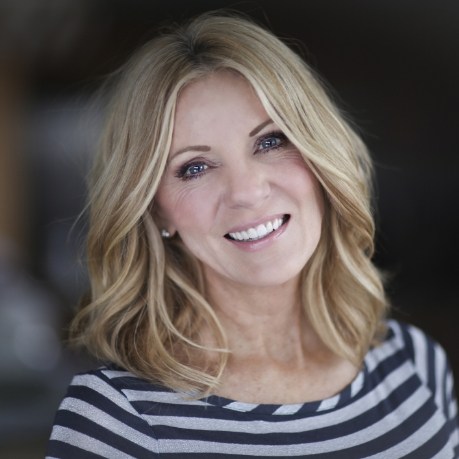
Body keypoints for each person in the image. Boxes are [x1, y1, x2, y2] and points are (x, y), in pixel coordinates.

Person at [46, 12, 458, 458]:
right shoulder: (117, 418)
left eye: (270, 141)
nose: (246, 192)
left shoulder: (416, 363)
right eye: (195, 168)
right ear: (154, 210)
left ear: (320, 158)